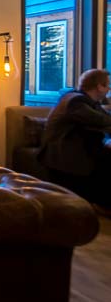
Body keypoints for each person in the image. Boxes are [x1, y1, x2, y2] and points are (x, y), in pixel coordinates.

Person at [39, 68, 111, 214]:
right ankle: (103, 204)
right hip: (61, 154)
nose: (109, 88)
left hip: (75, 148)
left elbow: (105, 121)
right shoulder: (74, 101)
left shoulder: (90, 102)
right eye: (108, 85)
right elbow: (99, 120)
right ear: (99, 86)